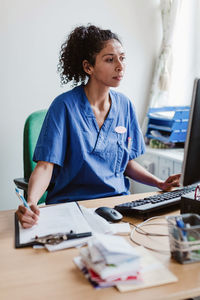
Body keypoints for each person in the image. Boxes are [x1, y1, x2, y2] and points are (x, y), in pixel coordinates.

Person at [16, 24, 180, 228]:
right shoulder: (64, 106)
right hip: (72, 207)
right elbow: (45, 165)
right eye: (110, 59)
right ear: (88, 67)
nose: (120, 66)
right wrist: (31, 202)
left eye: (122, 58)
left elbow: (125, 163)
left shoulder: (125, 105)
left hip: (117, 206)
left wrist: (159, 183)